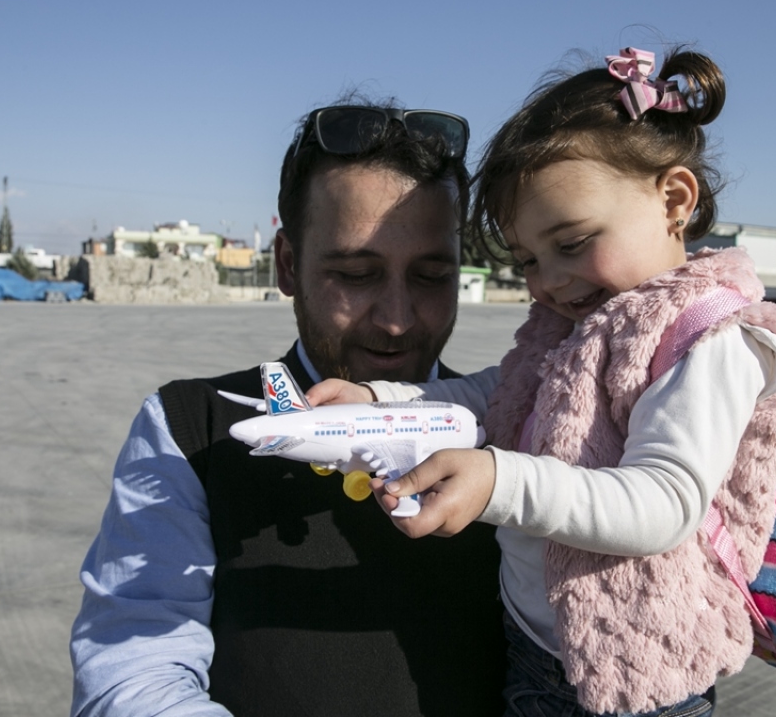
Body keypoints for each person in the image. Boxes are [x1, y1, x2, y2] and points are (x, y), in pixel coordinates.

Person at [308, 46, 776, 717]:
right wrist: (377, 401)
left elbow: (662, 503)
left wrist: (499, 480)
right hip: (538, 649)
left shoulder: (708, 341)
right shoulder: (574, 325)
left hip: (632, 682)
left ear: (675, 200)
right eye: (529, 259)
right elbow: (491, 396)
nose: (551, 281)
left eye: (572, 242)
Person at [69, 101, 508, 716]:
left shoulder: (516, 424)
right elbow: (133, 666)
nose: (397, 319)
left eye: (433, 275)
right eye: (356, 274)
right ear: (287, 264)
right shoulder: (190, 429)